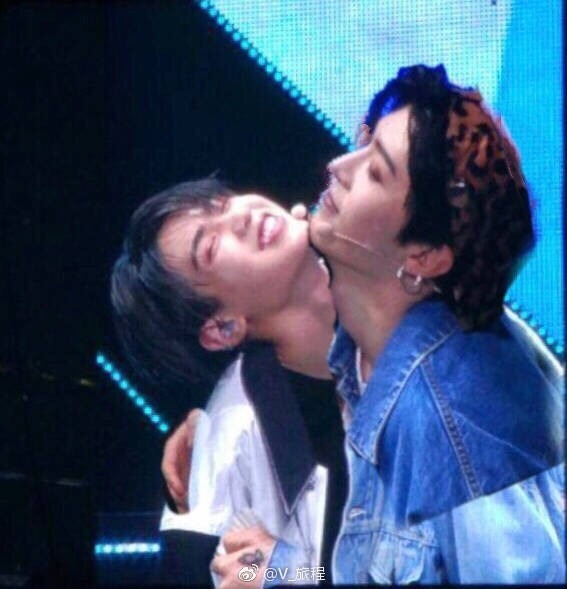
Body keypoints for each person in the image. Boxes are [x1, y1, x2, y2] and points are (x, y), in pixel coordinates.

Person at [216, 64, 564, 585]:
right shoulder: (365, 357)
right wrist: (283, 570)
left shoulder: (449, 418)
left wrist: (281, 575)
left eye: (375, 171)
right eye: (363, 143)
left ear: (424, 256)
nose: (338, 166)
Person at [110, 178, 347, 585]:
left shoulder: (393, 289)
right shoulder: (233, 435)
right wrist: (294, 572)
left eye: (223, 204)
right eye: (210, 246)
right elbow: (236, 572)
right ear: (222, 328)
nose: (242, 216)